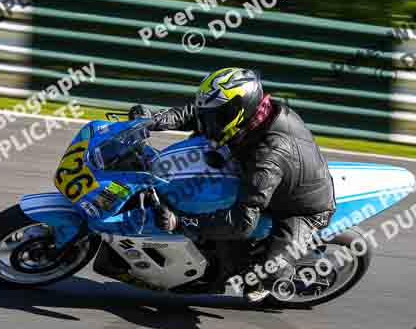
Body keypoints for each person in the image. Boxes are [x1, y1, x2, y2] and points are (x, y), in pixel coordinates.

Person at [128, 67, 335, 303]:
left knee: (268, 274)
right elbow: (196, 113)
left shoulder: (268, 156)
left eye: (216, 114)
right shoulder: (250, 116)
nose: (209, 119)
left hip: (301, 209)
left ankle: (273, 276)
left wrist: (180, 222)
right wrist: (152, 121)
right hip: (265, 177)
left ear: (238, 110)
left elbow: (242, 223)